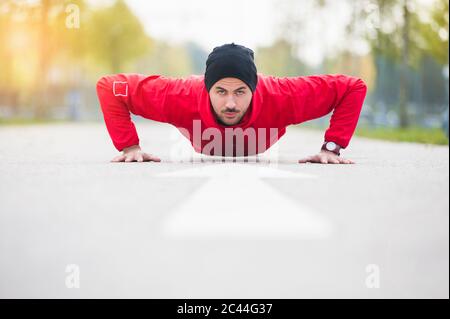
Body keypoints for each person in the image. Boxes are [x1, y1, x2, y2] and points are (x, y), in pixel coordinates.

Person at [97, 43, 367, 164]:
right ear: (206, 87)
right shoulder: (180, 96)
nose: (230, 103)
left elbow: (353, 87)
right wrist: (129, 145)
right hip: (201, 133)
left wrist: (332, 147)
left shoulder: (282, 96)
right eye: (220, 91)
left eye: (240, 92)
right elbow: (109, 87)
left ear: (254, 88)